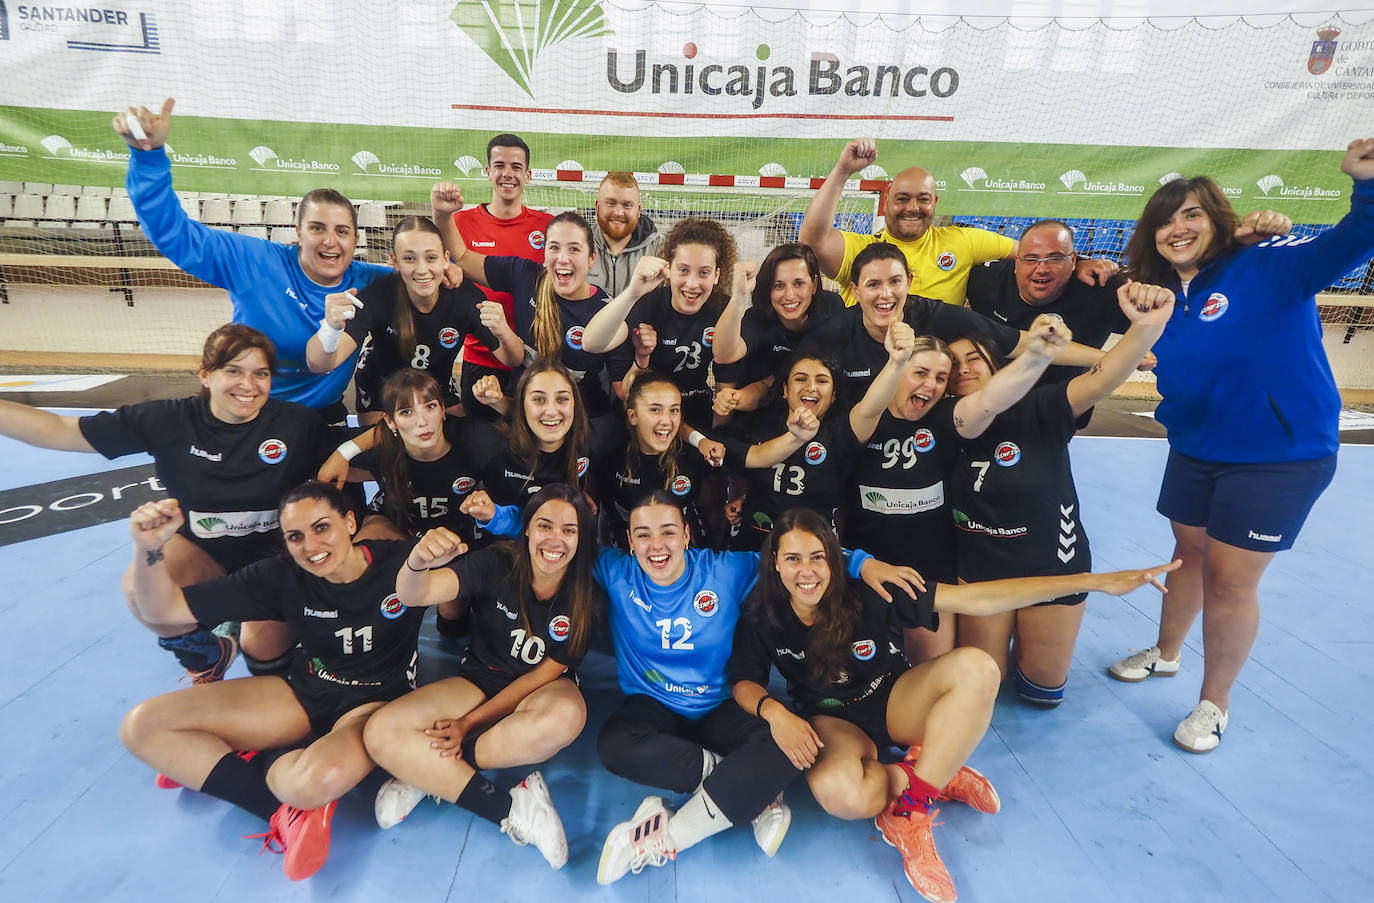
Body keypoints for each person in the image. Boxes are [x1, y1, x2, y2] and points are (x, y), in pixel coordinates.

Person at [729, 508, 1180, 902]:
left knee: (979, 668)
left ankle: (911, 811)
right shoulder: (763, 612)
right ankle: (930, 773)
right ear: (775, 563)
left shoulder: (871, 589)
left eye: (817, 557)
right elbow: (744, 681)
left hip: (893, 699)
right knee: (841, 797)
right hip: (831, 719)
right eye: (792, 559)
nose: (806, 571)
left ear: (835, 558)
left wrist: (1094, 582)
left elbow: (978, 598)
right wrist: (776, 713)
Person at [1106, 138, 1374, 753]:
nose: (1177, 228)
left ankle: (1214, 703)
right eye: (1166, 220)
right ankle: (1167, 651)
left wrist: (1367, 185)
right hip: (1197, 449)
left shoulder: (1269, 262)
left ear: (1218, 221)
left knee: (1230, 579)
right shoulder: (1158, 299)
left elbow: (1354, 240)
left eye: (1192, 215)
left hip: (1278, 456)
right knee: (1188, 551)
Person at [592, 491, 923, 885]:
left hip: (722, 705)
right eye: (643, 535)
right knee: (613, 745)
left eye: (667, 531)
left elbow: (798, 558)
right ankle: (750, 792)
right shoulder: (613, 570)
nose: (656, 545)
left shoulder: (725, 570)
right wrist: (497, 518)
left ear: (686, 535)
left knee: (793, 747)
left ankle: (679, 828)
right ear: (629, 542)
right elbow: (555, 544)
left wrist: (862, 563)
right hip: (653, 705)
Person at [118, 482, 442, 880]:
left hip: (372, 706)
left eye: (322, 527)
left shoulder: (400, 563)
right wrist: (148, 549)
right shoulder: (280, 574)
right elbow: (164, 609)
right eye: (295, 536)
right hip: (302, 691)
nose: (311, 545)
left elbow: (473, 588)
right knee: (141, 727)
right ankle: (278, 805)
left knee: (314, 782)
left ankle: (244, 758)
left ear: (350, 522)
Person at [0, 324, 329, 681]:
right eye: (233, 371)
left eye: (260, 373)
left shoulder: (297, 424)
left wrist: (355, 449)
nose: (248, 385)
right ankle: (207, 655)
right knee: (142, 594)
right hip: (205, 550)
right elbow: (62, 431)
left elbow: (355, 460)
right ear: (205, 374)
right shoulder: (168, 420)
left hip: (276, 554)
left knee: (262, 646)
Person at [948, 280, 1174, 706]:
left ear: (997, 364)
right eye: (953, 362)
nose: (964, 367)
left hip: (1052, 561)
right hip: (980, 567)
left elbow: (1100, 380)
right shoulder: (947, 420)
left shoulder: (1041, 407)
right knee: (983, 687)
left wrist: (1144, 329)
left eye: (974, 358)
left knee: (1042, 691)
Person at [360, 485, 603, 869]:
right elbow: (414, 594)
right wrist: (418, 563)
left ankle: (427, 774)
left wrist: (467, 725)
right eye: (545, 525)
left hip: (541, 690)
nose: (555, 539)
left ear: (581, 538)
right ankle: (511, 805)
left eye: (569, 530)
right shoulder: (498, 561)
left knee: (566, 717)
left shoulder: (588, 595)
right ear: (526, 529)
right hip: (478, 679)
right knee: (379, 732)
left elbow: (544, 674)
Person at [114, 99, 397, 421]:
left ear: (356, 240)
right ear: (299, 233)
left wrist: (450, 270)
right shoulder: (253, 261)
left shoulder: (371, 281)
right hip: (248, 412)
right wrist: (148, 157)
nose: (330, 241)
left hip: (321, 418)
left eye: (342, 231)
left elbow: (422, 276)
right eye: (317, 228)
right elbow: (174, 234)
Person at [841, 316, 1082, 664]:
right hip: (869, 568)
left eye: (941, 378)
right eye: (920, 373)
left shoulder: (944, 417)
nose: (932, 385)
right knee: (860, 671)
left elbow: (986, 402)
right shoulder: (864, 419)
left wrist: (1035, 358)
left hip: (929, 576)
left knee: (934, 671)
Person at [798, 138, 1116, 306]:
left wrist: (1079, 264)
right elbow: (811, 241)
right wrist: (843, 170)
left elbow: (1032, 253)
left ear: (934, 203)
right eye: (902, 198)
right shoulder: (864, 249)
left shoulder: (962, 242)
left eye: (923, 199)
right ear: (886, 203)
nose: (913, 208)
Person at [432, 186, 632, 441]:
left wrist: (643, 358)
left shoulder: (606, 311)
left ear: (591, 258)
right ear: (544, 252)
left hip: (581, 425)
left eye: (574, 249)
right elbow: (461, 256)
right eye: (554, 248)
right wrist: (442, 215)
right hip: (522, 413)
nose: (562, 259)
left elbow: (623, 386)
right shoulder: (525, 275)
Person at [804, 242, 1113, 403]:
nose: (886, 294)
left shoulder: (935, 317)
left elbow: (1022, 342)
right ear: (855, 291)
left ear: (909, 282)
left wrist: (1110, 359)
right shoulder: (835, 331)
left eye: (895, 281)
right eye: (873, 285)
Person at [305, 217, 523, 423]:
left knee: (466, 448)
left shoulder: (464, 297)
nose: (421, 269)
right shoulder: (378, 296)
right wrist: (331, 328)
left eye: (431, 258)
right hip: (381, 391)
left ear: (446, 259)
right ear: (394, 261)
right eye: (409, 258)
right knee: (387, 454)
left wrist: (503, 330)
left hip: (437, 388)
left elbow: (511, 359)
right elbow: (324, 363)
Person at [722, 320, 916, 551]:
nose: (811, 387)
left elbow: (871, 408)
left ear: (834, 395)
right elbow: (724, 459)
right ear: (784, 390)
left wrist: (897, 362)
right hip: (751, 548)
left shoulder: (841, 434)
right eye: (801, 379)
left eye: (822, 381)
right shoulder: (757, 426)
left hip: (814, 555)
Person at [582, 217, 737, 431]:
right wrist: (632, 293)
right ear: (669, 269)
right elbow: (591, 343)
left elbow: (726, 382)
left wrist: (716, 440)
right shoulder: (649, 303)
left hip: (697, 412)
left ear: (717, 275)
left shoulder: (723, 309)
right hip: (648, 416)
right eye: (683, 270)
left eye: (704, 272)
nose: (692, 284)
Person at [440, 134, 554, 419]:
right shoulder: (459, 222)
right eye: (500, 165)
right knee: (482, 447)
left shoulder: (547, 226)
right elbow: (438, 267)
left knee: (530, 441)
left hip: (532, 359)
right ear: (488, 171)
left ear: (527, 175)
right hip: (481, 356)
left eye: (516, 167)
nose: (508, 174)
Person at [711, 243, 846, 419]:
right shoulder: (759, 318)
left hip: (815, 407)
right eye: (779, 286)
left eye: (799, 283)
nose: (789, 295)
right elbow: (724, 356)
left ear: (814, 284)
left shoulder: (832, 309)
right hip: (764, 409)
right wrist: (739, 296)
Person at [587, 170, 665, 296]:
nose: (618, 212)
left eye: (627, 205)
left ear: (638, 210)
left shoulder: (660, 249)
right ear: (597, 206)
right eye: (611, 203)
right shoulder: (580, 245)